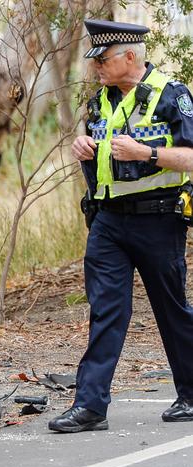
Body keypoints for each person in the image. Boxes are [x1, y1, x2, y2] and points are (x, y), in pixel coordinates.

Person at [49, 19, 193, 433]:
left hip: (159, 218)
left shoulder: (171, 94)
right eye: (95, 59)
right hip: (108, 221)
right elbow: (101, 153)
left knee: (172, 308)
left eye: (104, 59)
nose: (97, 67)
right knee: (105, 311)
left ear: (130, 56)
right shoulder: (100, 101)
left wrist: (146, 153)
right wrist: (83, 150)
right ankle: (90, 406)